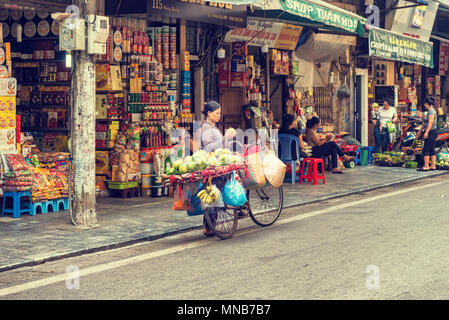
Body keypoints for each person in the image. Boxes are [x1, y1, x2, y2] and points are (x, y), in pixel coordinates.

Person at [200, 101, 236, 236]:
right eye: (216, 113)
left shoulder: (213, 127)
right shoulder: (206, 129)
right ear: (209, 114)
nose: (219, 116)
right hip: (212, 167)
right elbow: (208, 148)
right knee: (214, 194)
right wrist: (225, 138)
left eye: (220, 113)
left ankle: (210, 225)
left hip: (217, 164)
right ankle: (209, 226)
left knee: (215, 192)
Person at [417, 96, 438, 171]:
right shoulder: (430, 111)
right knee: (431, 149)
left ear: (427, 103)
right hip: (431, 131)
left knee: (425, 149)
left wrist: (426, 132)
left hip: (431, 132)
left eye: (425, 104)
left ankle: (426, 166)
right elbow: (424, 123)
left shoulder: (431, 111)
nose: (424, 105)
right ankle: (433, 166)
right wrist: (420, 131)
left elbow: (430, 122)